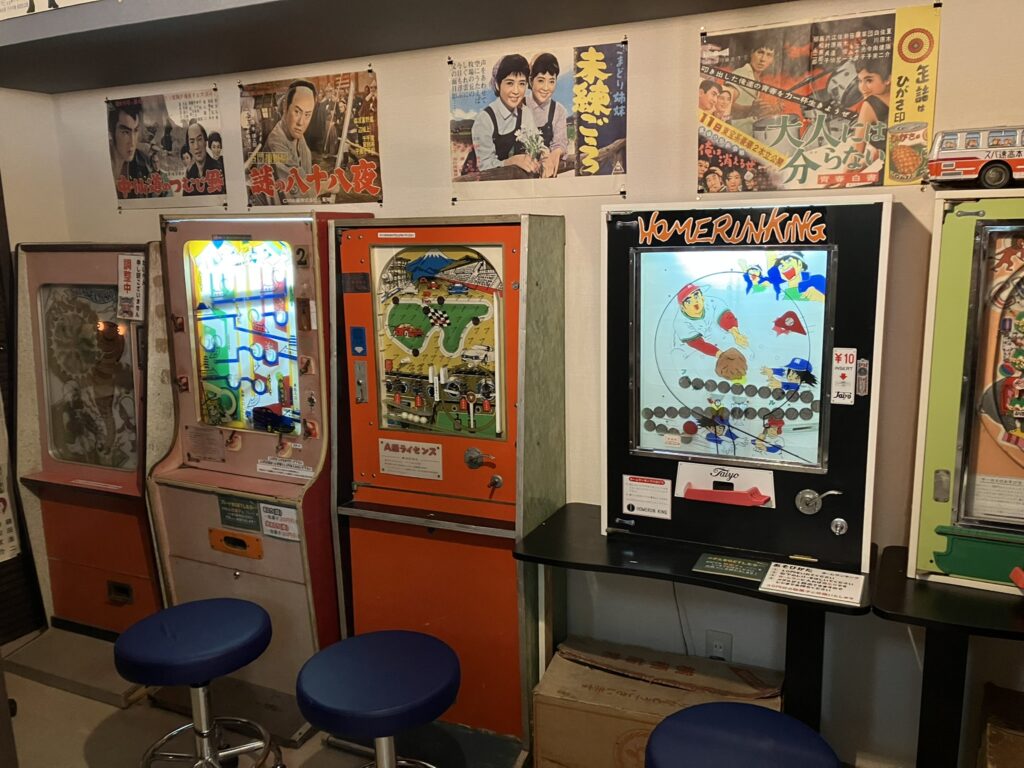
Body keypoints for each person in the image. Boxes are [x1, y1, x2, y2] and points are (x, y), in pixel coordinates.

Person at [467, 54, 540, 175]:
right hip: (477, 178)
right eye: (510, 83)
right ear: (497, 84)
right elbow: (484, 166)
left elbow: (537, 143)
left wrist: (545, 154)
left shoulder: (525, 113)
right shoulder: (484, 119)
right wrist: (511, 161)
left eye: (522, 83)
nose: (516, 91)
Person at [264, 79, 317, 202]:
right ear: (285, 107)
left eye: (307, 115)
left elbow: (305, 177)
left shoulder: (297, 135)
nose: (301, 122)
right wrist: (327, 186)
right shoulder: (276, 141)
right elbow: (296, 190)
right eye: (297, 112)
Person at [673, 283, 748, 360]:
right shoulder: (681, 323)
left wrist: (736, 334)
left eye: (696, 296)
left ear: (702, 297)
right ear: (682, 308)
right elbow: (698, 344)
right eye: (689, 301)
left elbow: (726, 317)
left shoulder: (712, 302)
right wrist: (721, 355)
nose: (695, 302)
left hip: (714, 337)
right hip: (688, 352)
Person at [527, 53, 569, 178]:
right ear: (531, 81)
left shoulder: (559, 110)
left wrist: (556, 153)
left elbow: (560, 142)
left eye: (551, 81)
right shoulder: (520, 105)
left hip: (547, 174)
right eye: (541, 80)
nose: (546, 88)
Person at [730, 42, 783, 137]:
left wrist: (771, 110)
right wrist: (751, 109)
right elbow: (726, 105)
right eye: (760, 52)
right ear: (751, 53)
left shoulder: (756, 77)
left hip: (747, 135)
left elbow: (752, 112)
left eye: (769, 55)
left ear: (772, 60)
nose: (763, 59)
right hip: (734, 135)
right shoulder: (741, 73)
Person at [849, 59, 891, 169]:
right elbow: (882, 148)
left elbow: (856, 152)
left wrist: (842, 176)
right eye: (860, 81)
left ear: (888, 79)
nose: (862, 88)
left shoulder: (870, 105)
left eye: (869, 80)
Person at [109, 101, 156, 199]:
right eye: (125, 132)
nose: (132, 142)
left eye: (136, 131)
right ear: (111, 132)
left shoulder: (142, 162)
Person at [184, 121, 225, 196]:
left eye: (199, 139)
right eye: (192, 142)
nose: (196, 146)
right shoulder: (189, 174)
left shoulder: (219, 169)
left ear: (205, 142)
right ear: (189, 148)